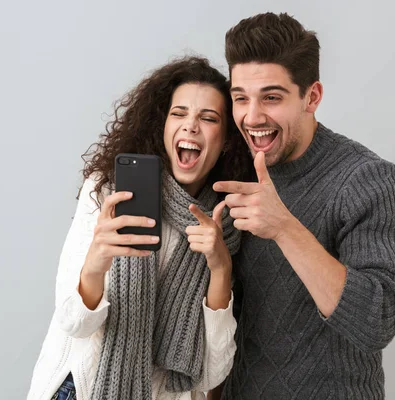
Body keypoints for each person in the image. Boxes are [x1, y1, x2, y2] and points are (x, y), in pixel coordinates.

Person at [211, 13, 395, 399]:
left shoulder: (367, 178)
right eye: (241, 97)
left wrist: (285, 228)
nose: (251, 117)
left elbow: (377, 323)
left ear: (312, 97)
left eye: (271, 97)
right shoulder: (233, 169)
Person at [27, 56, 254, 400]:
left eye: (208, 118)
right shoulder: (107, 192)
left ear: (225, 140)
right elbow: (74, 323)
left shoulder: (228, 225)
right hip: (80, 390)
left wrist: (220, 267)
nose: (190, 126)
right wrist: (96, 264)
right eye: (179, 114)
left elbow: (211, 374)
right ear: (162, 126)